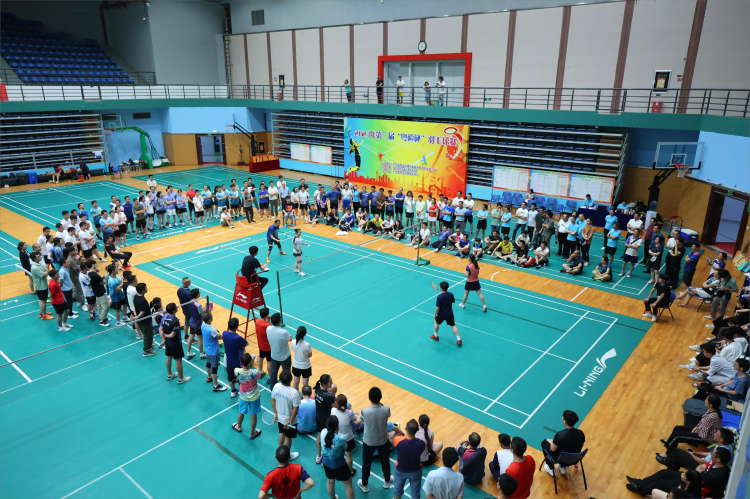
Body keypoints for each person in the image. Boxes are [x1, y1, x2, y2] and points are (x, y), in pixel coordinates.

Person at [626, 447, 730, 498]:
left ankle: (640, 489)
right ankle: (642, 483)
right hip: (692, 479)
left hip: (693, 489)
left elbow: (697, 481)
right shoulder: (715, 463)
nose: (711, 455)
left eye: (713, 454)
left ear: (718, 459)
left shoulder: (717, 475)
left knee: (660, 483)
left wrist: (688, 478)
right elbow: (701, 467)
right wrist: (692, 474)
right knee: (663, 473)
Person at [358, 386, 394, 492]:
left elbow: (359, 420)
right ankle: (387, 481)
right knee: (385, 462)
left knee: (366, 464)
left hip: (368, 442)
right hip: (383, 441)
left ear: (369, 398)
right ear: (380, 397)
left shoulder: (364, 411)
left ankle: (364, 485)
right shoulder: (386, 409)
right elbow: (387, 415)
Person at [658, 428, 734, 471]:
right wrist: (698, 453)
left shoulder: (721, 451)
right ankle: (670, 468)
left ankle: (668, 461)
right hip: (706, 464)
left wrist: (691, 454)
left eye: (717, 434)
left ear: (721, 439)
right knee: (675, 459)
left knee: (677, 452)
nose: (714, 434)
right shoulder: (726, 445)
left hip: (702, 468)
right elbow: (711, 454)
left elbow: (701, 461)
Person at [541, 410, 585, 477]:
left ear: (565, 421)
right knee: (566, 448)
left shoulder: (560, 435)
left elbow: (553, 449)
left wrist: (552, 442)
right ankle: (562, 467)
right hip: (575, 458)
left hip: (561, 459)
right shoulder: (581, 433)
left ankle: (550, 468)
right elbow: (580, 446)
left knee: (544, 442)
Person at [321, 415, 355, 499]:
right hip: (339, 466)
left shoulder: (323, 431)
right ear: (337, 426)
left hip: (326, 463)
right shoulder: (340, 438)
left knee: (330, 482)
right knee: (348, 485)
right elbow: (346, 448)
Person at [391, 419, 425, 499]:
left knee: (397, 492)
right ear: (417, 430)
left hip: (400, 470)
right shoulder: (421, 443)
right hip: (415, 471)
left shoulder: (397, 440)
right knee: (415, 494)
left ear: (406, 428)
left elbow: (392, 439)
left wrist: (399, 432)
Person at [271, 370, 301, 461]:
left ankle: (279, 453)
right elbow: (296, 408)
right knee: (288, 437)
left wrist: (276, 413)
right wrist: (291, 420)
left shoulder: (276, 386)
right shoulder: (294, 392)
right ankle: (286, 456)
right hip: (289, 420)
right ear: (291, 379)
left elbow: (273, 400)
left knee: (281, 433)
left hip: (280, 417)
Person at [159, 302, 191, 385]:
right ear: (174, 310)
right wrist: (167, 335)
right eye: (176, 307)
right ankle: (181, 378)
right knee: (178, 360)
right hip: (175, 342)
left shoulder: (164, 317)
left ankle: (170, 374)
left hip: (168, 342)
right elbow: (172, 335)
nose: (177, 307)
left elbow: (160, 329)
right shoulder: (175, 320)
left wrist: (163, 339)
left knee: (169, 357)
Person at [332, 394, 359, 478]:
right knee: (348, 456)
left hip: (337, 437)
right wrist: (356, 416)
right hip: (348, 439)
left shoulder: (332, 411)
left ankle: (336, 468)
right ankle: (349, 471)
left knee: (338, 454)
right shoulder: (349, 413)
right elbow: (355, 419)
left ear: (337, 403)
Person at [315, 374, 339, 465]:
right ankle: (325, 459)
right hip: (326, 421)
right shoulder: (329, 396)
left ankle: (318, 456)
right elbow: (336, 406)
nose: (332, 383)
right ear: (324, 384)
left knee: (319, 436)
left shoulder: (317, 390)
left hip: (318, 418)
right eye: (330, 382)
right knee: (328, 439)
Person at [200, 311, 225, 392]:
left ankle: (209, 377)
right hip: (214, 352)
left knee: (208, 363)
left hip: (207, 350)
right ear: (210, 319)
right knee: (214, 368)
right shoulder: (212, 330)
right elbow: (220, 337)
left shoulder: (202, 325)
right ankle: (216, 386)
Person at [223, 317, 248, 398]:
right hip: (238, 362)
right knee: (241, 378)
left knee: (230, 377)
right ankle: (242, 392)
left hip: (229, 361)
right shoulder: (237, 338)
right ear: (237, 327)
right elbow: (246, 343)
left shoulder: (224, 333)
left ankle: (233, 391)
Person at [431, 281, 462, 346]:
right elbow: (453, 301)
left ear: (441, 288)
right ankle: (459, 340)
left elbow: (437, 307)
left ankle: (435, 336)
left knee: (436, 322)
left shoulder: (440, 297)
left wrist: (434, 314)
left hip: (441, 314)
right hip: (450, 314)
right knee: (453, 326)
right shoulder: (451, 294)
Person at [267, 312, 292, 389]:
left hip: (274, 356)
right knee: (286, 374)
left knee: (273, 373)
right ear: (280, 321)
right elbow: (290, 338)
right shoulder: (283, 332)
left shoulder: (268, 328)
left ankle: (272, 389)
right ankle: (286, 389)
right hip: (285, 357)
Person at [30, 252, 53, 320]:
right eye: (38, 257)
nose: (40, 257)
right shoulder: (34, 267)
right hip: (40, 286)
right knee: (42, 301)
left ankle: (42, 313)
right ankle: (44, 315)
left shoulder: (39, 264)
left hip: (43, 284)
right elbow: (45, 274)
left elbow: (46, 270)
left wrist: (46, 271)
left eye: (39, 256)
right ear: (34, 259)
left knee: (43, 300)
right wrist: (46, 272)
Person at [292, 326, 313, 392]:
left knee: (296, 382)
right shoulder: (307, 345)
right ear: (305, 334)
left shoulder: (293, 342)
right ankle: (305, 396)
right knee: (305, 384)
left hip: (296, 365)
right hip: (305, 366)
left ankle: (295, 396)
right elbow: (310, 355)